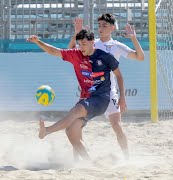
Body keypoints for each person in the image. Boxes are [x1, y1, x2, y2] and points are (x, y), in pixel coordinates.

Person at [26, 29, 127, 160]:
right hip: (87, 98)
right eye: (79, 43)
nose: (80, 47)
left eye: (83, 43)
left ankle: (47, 131)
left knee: (77, 110)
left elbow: (119, 76)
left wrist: (122, 97)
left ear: (92, 42)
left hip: (101, 99)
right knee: (71, 132)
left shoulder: (105, 57)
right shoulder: (76, 54)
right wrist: (38, 42)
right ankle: (89, 163)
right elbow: (54, 51)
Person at [68, 13, 145, 159]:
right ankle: (76, 161)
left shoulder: (116, 46)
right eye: (99, 25)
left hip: (109, 93)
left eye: (104, 25)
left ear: (112, 28)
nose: (100, 28)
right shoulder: (91, 43)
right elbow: (70, 51)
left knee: (117, 126)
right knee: (77, 126)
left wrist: (133, 38)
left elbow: (140, 57)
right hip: (90, 92)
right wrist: (76, 33)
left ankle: (127, 158)